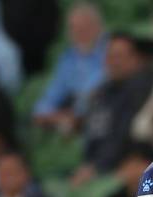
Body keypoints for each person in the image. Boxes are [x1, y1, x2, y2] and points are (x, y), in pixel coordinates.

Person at [71, 33, 153, 186]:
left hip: (125, 165)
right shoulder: (103, 91)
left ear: (136, 59)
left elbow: (122, 136)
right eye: (110, 56)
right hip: (96, 163)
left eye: (119, 56)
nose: (113, 62)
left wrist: (96, 167)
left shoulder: (141, 88)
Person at [33, 2, 107, 131]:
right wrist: (59, 117)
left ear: (98, 27)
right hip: (70, 120)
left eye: (85, 27)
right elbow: (45, 104)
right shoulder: (68, 58)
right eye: (74, 28)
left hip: (102, 117)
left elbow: (96, 92)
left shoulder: (111, 51)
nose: (79, 33)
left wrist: (76, 115)